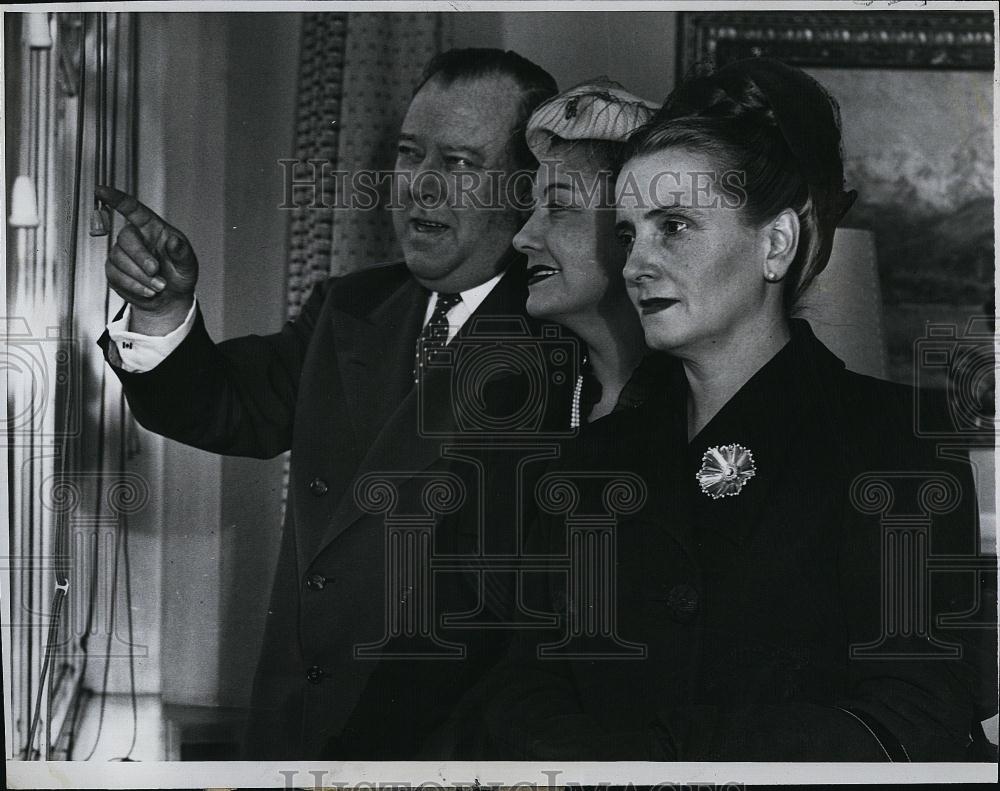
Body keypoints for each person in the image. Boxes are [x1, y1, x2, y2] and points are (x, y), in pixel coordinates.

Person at [484, 57, 995, 761]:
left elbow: (916, 717)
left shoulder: (893, 439)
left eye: (675, 226)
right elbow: (521, 694)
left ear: (776, 244)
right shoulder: (590, 459)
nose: (635, 263)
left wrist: (659, 759)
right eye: (629, 233)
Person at [96, 48, 571, 759]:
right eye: (411, 156)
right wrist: (164, 308)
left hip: (437, 748)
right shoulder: (350, 306)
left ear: (525, 188)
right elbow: (226, 404)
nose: (422, 189)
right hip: (297, 725)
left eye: (461, 165)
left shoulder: (565, 346)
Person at [514, 80, 665, 426]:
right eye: (531, 211)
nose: (522, 238)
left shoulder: (703, 407)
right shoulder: (513, 406)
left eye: (559, 206)